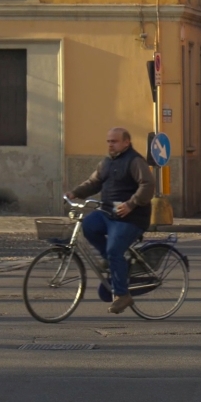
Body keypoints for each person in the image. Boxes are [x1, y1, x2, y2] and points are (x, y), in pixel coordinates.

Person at [66, 127, 155, 314]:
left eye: (114, 141)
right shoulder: (106, 162)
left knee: (114, 249)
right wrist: (76, 192)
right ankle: (111, 261)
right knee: (89, 226)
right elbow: (94, 182)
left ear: (126, 142)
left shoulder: (134, 161)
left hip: (131, 217)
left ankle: (122, 295)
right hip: (109, 212)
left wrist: (131, 204)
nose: (110, 144)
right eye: (108, 141)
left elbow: (148, 184)